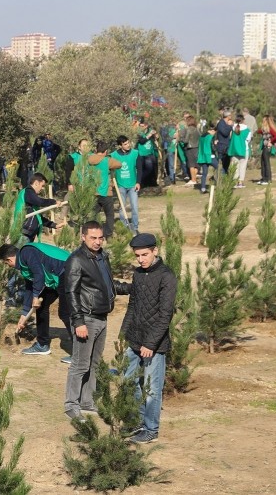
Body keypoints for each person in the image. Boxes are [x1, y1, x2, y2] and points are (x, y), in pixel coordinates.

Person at [113, 233, 178, 444]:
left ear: (155, 251)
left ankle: (151, 430)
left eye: (145, 255)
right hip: (133, 338)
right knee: (129, 381)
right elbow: (132, 307)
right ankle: (137, 422)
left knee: (151, 389)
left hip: (154, 345)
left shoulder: (167, 276)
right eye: (137, 256)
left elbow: (165, 315)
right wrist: (123, 336)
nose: (141, 259)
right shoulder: (138, 274)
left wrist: (150, 343)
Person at [64, 221, 116, 419]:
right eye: (93, 238)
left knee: (95, 363)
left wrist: (131, 287)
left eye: (100, 238)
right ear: (83, 237)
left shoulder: (102, 257)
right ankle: (71, 405)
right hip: (86, 318)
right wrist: (79, 322)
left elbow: (107, 285)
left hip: (102, 317)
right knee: (80, 364)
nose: (97, 241)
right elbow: (71, 292)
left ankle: (87, 401)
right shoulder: (76, 260)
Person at [0, 242, 72, 361]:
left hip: (69, 270)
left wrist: (36, 296)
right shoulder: (24, 264)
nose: (9, 266)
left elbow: (39, 274)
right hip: (57, 278)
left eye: (6, 263)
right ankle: (42, 345)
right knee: (41, 307)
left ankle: (81, 353)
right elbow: (30, 287)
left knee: (65, 313)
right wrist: (24, 314)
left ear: (9, 259)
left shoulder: (27, 252)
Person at [13, 172, 63, 242]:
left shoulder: (31, 198)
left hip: (28, 235)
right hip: (22, 234)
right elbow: (39, 202)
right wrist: (53, 202)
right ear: (36, 183)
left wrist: (53, 225)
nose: (42, 188)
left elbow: (37, 217)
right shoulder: (28, 192)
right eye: (42, 186)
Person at [111, 135, 141, 233]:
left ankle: (135, 227)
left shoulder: (135, 153)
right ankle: (124, 227)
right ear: (120, 146)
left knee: (134, 207)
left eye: (128, 143)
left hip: (133, 185)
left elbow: (140, 169)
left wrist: (138, 182)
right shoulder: (113, 155)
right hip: (120, 185)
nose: (128, 145)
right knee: (121, 208)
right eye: (125, 144)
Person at [228, 114, 251, 188]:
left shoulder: (233, 128)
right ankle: (240, 182)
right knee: (243, 166)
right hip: (244, 150)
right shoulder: (247, 130)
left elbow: (230, 137)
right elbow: (248, 140)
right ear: (243, 120)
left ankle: (234, 182)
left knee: (235, 166)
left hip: (234, 149)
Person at [256, 115, 276, 185]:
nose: (262, 121)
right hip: (264, 147)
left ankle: (268, 179)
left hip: (268, 148)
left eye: (263, 120)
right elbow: (258, 131)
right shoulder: (264, 129)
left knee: (266, 163)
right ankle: (263, 178)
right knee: (262, 162)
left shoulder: (270, 129)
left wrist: (271, 142)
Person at [134, 119, 157, 187]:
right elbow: (142, 141)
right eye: (140, 126)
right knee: (143, 169)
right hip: (141, 153)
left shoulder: (150, 130)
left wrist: (155, 135)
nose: (141, 127)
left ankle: (151, 183)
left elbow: (155, 138)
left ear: (146, 126)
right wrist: (149, 135)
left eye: (142, 126)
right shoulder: (139, 132)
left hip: (150, 153)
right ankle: (140, 182)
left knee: (151, 169)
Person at [197, 123, 217, 194]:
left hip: (202, 156)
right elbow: (212, 147)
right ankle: (219, 183)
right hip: (209, 156)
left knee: (204, 173)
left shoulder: (202, 136)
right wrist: (216, 145)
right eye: (214, 132)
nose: (214, 134)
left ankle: (203, 188)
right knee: (220, 168)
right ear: (212, 131)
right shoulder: (210, 137)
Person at [181, 114, 200, 187]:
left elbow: (186, 140)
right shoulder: (197, 129)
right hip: (197, 147)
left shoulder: (188, 129)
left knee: (191, 165)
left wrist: (181, 139)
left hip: (189, 148)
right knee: (196, 165)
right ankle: (194, 178)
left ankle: (193, 180)